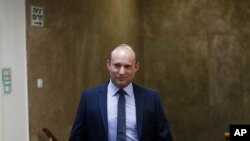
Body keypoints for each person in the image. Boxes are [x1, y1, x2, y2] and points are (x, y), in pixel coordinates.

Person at [69, 44, 173, 141]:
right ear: (108, 64)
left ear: (136, 67)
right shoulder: (89, 97)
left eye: (127, 66)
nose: (121, 72)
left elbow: (164, 137)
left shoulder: (151, 98)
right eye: (117, 65)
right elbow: (76, 138)